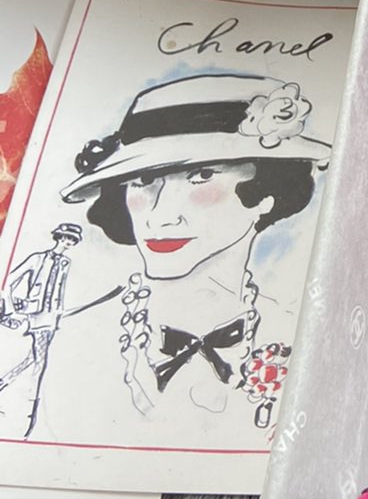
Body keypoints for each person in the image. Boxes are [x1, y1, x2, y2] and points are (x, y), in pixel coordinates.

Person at [59, 72, 329, 428]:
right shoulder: (73, 340)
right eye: (143, 181)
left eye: (202, 176)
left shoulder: (302, 334)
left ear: (266, 194)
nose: (162, 215)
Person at [0, 222, 82, 433]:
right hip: (36, 315)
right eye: (66, 237)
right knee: (40, 362)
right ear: (58, 237)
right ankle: (30, 411)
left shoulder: (65, 263)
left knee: (33, 358)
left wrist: (59, 311)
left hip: (51, 317)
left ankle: (3, 383)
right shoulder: (37, 258)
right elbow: (8, 281)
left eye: (72, 240)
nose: (68, 242)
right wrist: (11, 310)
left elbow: (60, 290)